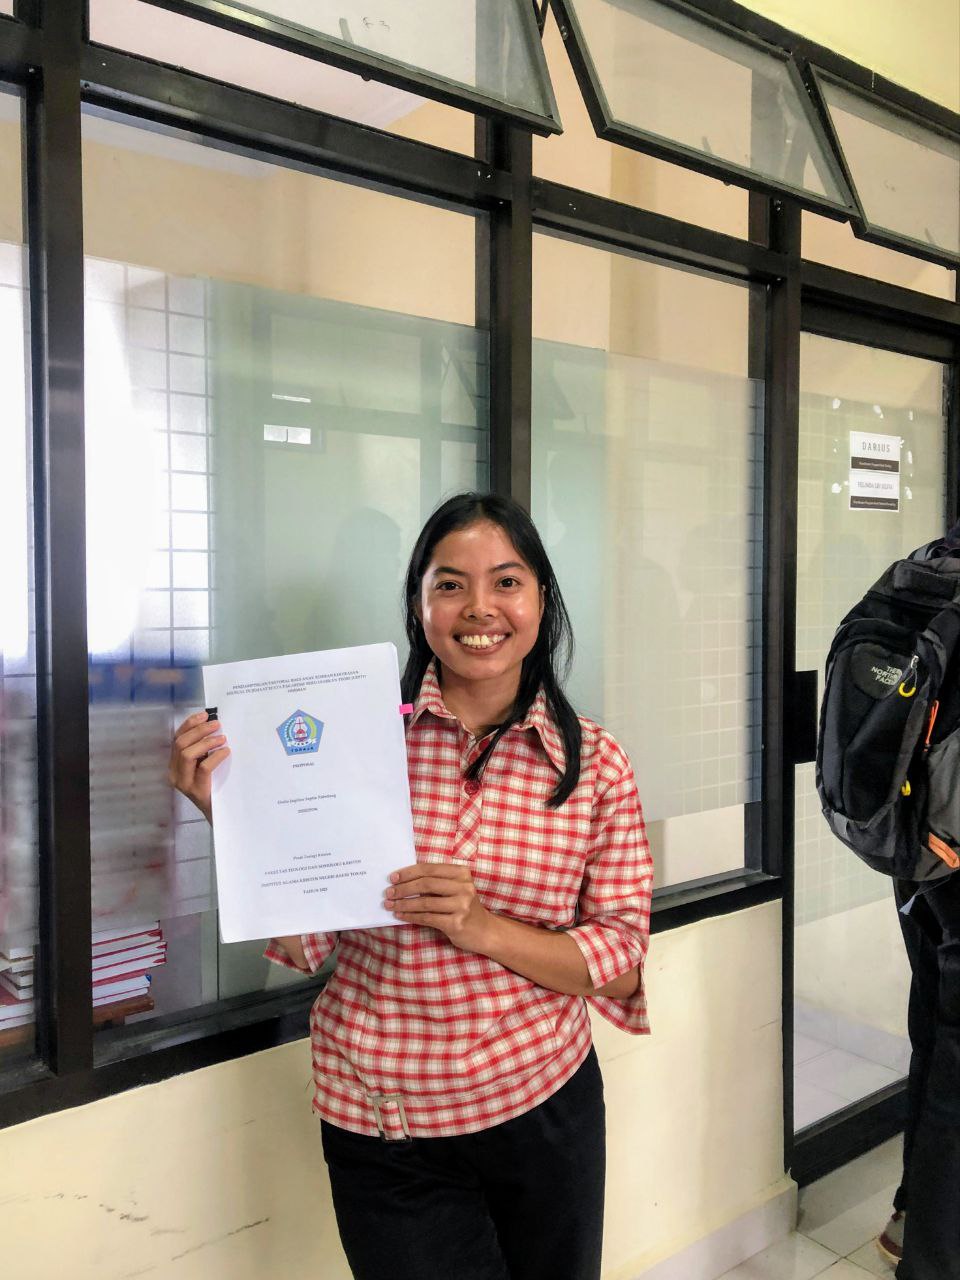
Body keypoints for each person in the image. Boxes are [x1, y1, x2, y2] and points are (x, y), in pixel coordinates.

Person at [168, 492, 653, 1280]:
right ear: (419, 605)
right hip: (385, 1123)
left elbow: (623, 964)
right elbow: (306, 939)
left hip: (544, 1105)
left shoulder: (594, 762)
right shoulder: (358, 745)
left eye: (507, 582)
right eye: (450, 584)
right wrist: (229, 816)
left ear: (541, 599)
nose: (480, 608)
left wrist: (481, 926)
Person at [877, 521, 960, 1280]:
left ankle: (910, 1215)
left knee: (936, 1033)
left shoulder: (928, 569)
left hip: (920, 856)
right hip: (951, 851)